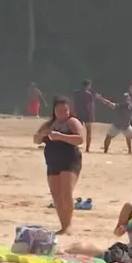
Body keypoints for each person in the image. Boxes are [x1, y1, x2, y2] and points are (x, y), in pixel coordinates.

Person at [32, 95, 85, 235]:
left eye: (65, 110)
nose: (62, 113)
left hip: (69, 160)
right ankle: (63, 225)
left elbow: (80, 139)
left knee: (66, 193)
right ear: (54, 110)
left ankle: (69, 225)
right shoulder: (50, 124)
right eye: (59, 110)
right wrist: (42, 134)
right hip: (53, 161)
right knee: (56, 195)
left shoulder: (72, 122)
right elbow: (36, 140)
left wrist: (61, 136)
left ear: (69, 110)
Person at [73, 79, 96, 152]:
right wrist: (92, 115)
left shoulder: (76, 93)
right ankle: (87, 149)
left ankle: (75, 146)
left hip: (78, 113)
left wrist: (73, 111)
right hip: (87, 114)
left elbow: (74, 103)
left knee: (77, 131)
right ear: (88, 85)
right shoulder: (89, 94)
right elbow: (91, 106)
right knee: (89, 132)